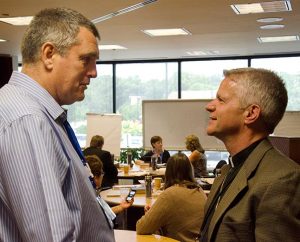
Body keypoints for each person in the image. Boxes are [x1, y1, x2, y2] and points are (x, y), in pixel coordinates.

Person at [0, 7, 115, 241]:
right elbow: (51, 236)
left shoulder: (38, 114)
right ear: (49, 55)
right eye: (86, 59)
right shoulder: (27, 119)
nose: (93, 73)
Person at [200, 68, 300, 242]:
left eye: (221, 100)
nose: (209, 106)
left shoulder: (282, 180)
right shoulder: (227, 171)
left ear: (251, 113)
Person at [136, 153, 207, 242]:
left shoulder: (170, 194)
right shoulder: (200, 191)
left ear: (168, 172)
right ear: (190, 170)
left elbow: (141, 228)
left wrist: (149, 215)